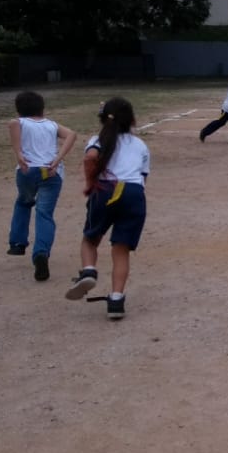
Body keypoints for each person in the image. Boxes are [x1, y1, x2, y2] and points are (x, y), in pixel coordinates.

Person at [65, 98, 151, 319]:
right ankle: (116, 300)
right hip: (133, 193)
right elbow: (143, 178)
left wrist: (89, 183)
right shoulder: (140, 144)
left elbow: (90, 157)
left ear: (103, 119)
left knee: (90, 238)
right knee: (121, 249)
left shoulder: (98, 140)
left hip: (106, 190)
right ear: (132, 120)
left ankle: (89, 270)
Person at [7, 90, 78, 282]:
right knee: (44, 213)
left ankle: (18, 243)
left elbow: (13, 124)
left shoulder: (20, 122)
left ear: (19, 109)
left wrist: (18, 154)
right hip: (51, 171)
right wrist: (58, 158)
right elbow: (72, 134)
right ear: (42, 108)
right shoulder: (51, 124)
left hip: (27, 170)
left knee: (23, 202)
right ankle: (41, 253)